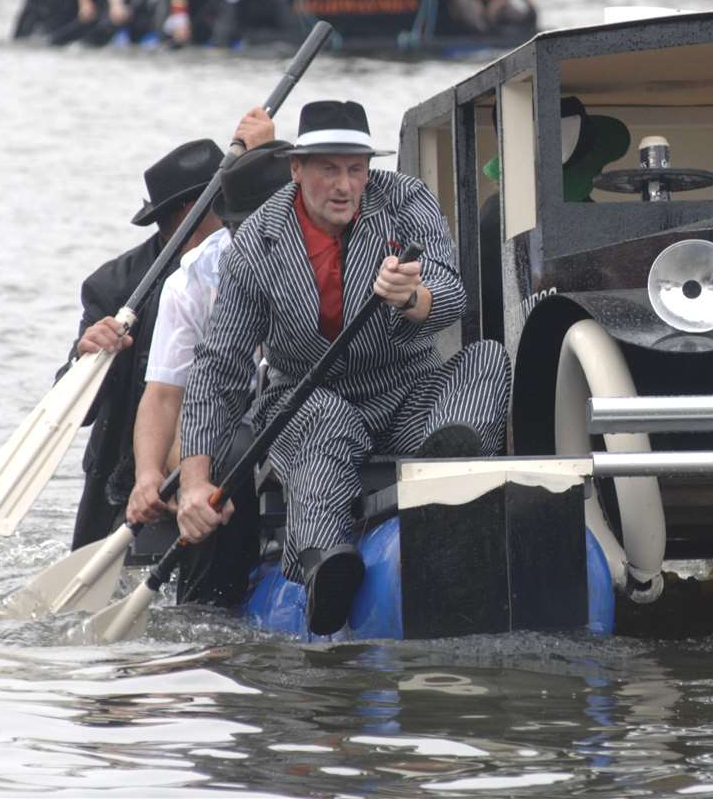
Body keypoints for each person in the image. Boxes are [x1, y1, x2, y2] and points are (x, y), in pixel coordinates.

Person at [177, 100, 514, 636]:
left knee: (486, 359)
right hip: (308, 397)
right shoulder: (257, 244)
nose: (344, 185)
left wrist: (413, 297)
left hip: (409, 392)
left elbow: (452, 293)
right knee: (323, 416)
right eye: (328, 169)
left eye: (355, 168)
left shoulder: (405, 198)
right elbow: (219, 368)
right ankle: (322, 561)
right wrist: (193, 484)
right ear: (296, 169)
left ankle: (450, 485)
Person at [63, 109, 273, 549]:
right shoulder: (115, 286)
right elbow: (75, 413)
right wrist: (87, 357)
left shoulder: (256, 249)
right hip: (123, 478)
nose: (236, 218)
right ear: (192, 212)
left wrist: (266, 154)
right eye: (225, 205)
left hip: (220, 443)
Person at [127, 139, 293, 606]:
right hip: (232, 419)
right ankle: (204, 610)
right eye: (244, 231)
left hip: (316, 404)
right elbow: (164, 393)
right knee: (219, 458)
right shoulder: (192, 280)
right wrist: (146, 478)